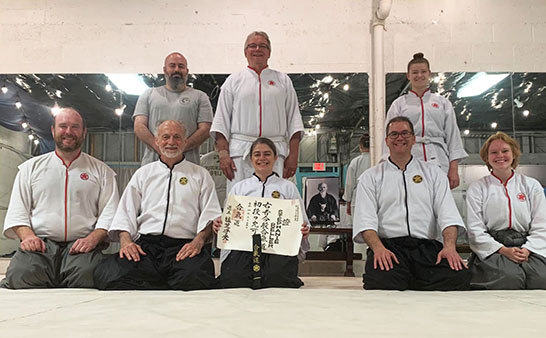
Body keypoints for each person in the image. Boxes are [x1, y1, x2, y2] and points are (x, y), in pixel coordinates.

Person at [93, 120, 221, 290]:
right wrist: (126, 243)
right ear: (157, 141)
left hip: (183, 248)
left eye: (177, 137)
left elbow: (210, 215)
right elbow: (125, 213)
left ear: (184, 141)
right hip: (147, 248)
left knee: (196, 276)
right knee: (109, 274)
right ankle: (164, 280)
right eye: (166, 137)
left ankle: (157, 281)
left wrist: (198, 241)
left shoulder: (200, 175)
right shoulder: (143, 174)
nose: (171, 142)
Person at [1, 108, 119, 289]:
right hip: (41, 245)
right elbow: (18, 211)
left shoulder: (102, 172)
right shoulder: (29, 169)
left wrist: (92, 239)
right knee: (21, 275)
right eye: (63, 126)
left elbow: (109, 214)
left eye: (75, 127)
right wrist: (28, 237)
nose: (69, 132)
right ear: (53, 130)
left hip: (82, 247)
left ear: (84, 132)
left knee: (91, 276)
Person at [353, 116, 470, 291]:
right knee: (380, 281)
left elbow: (448, 214)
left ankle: (413, 277)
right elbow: (366, 220)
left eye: (405, 133)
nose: (400, 138)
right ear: (386, 141)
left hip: (426, 248)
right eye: (394, 134)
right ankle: (414, 278)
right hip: (389, 247)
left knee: (459, 277)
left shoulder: (433, 173)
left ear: (414, 138)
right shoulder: (370, 177)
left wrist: (449, 247)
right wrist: (378, 249)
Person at [210, 31, 304, 191]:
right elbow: (221, 121)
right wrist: (223, 154)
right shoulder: (233, 81)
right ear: (245, 51)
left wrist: (293, 156)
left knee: (276, 198)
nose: (257, 49)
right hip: (240, 155)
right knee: (239, 200)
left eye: (263, 46)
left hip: (275, 153)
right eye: (252, 46)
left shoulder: (283, 80)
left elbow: (294, 120)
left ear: (269, 52)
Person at [213, 137, 310, 289]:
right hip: (244, 248)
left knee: (278, 279)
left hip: (277, 250)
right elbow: (229, 221)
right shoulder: (239, 188)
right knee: (233, 279)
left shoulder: (288, 187)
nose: (262, 158)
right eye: (257, 154)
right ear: (251, 159)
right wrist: (221, 224)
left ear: (275, 158)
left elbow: (302, 220)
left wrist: (303, 229)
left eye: (267, 154)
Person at [466, 132, 546, 289]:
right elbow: (475, 230)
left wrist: (528, 249)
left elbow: (542, 224)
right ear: (486, 157)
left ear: (514, 154)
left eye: (505, 151)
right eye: (494, 152)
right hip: (495, 246)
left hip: (528, 245)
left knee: (541, 277)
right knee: (509, 278)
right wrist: (503, 250)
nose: (500, 156)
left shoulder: (531, 185)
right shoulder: (477, 188)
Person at [384, 52, 467, 189]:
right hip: (408, 158)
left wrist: (454, 168)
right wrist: (388, 166)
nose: (419, 75)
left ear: (429, 73)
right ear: (408, 75)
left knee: (439, 200)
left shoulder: (443, 103)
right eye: (415, 72)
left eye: (423, 71)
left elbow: (453, 137)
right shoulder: (399, 104)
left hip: (439, 158)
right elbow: (389, 138)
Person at [134, 52, 213, 166]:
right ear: (165, 70)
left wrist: (179, 149)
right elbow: (139, 126)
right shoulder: (148, 94)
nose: (177, 69)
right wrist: (161, 148)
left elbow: (205, 129)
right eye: (172, 66)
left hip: (189, 166)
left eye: (181, 66)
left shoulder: (200, 97)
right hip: (152, 164)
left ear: (186, 71)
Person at [344, 134, 370, 216]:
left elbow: (349, 184)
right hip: (375, 200)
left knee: (358, 228)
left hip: (357, 200)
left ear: (360, 147)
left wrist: (348, 202)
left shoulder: (355, 162)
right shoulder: (377, 160)